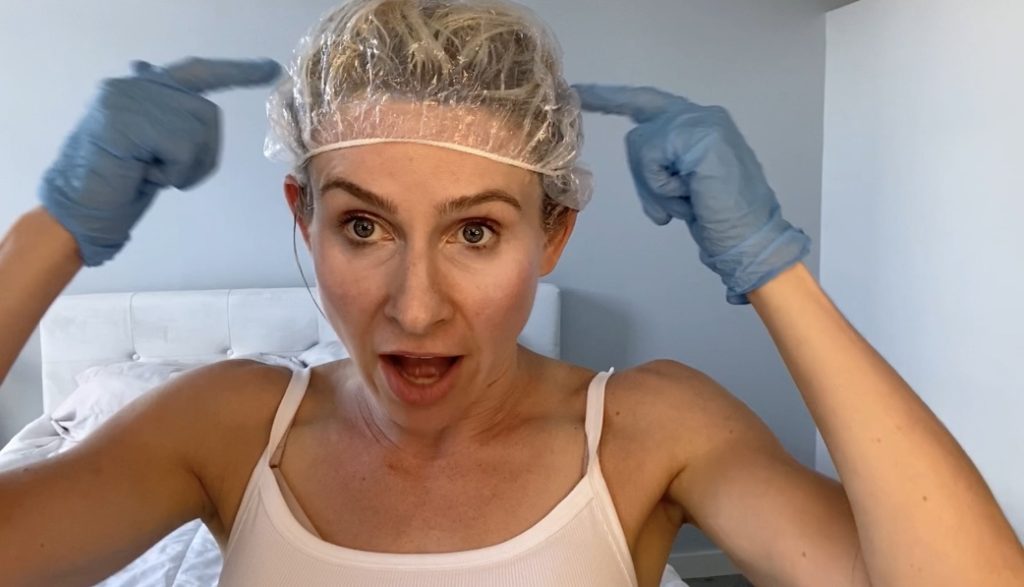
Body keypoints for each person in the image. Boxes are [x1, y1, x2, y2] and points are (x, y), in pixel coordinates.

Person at [1, 1, 1021, 585]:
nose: (415, 305)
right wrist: (53, 234)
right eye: (361, 224)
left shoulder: (648, 427)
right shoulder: (226, 424)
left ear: (554, 233)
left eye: (476, 230)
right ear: (301, 217)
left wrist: (772, 266)